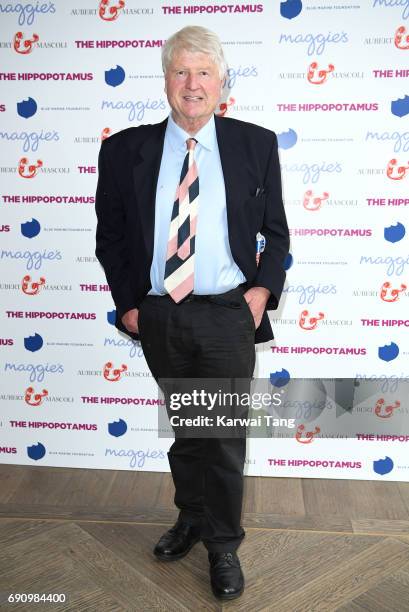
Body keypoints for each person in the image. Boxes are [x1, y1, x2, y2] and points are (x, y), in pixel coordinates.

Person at [95, 25, 289, 601]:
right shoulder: (124, 148)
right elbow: (113, 239)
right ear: (166, 81)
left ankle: (223, 546)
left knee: (223, 435)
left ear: (222, 82)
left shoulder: (256, 144)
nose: (192, 83)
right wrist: (129, 306)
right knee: (188, 428)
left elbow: (276, 237)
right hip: (160, 317)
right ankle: (192, 517)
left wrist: (261, 294)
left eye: (204, 72)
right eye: (181, 71)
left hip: (230, 315)